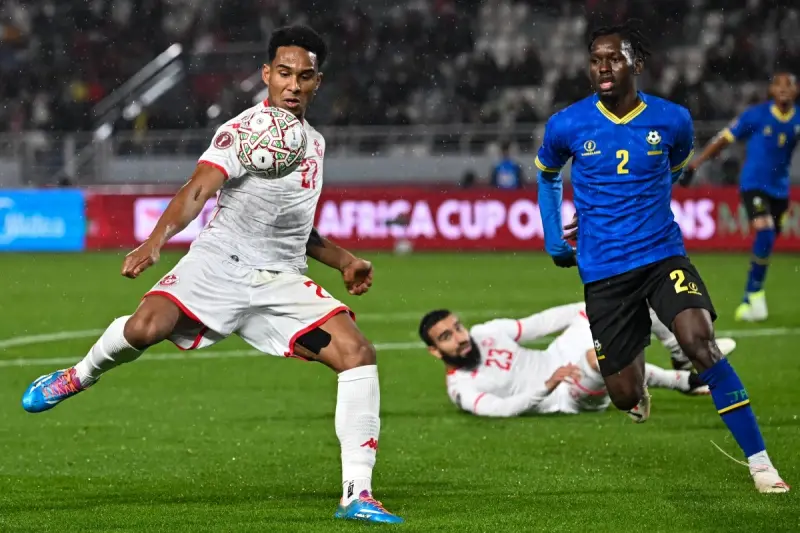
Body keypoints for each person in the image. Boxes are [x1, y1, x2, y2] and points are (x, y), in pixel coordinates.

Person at [20, 25, 403, 524]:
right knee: (145, 328)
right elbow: (198, 189)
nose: (293, 85)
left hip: (280, 278)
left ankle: (357, 494)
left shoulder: (314, 144)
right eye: (283, 73)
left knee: (357, 353)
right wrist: (156, 240)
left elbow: (295, 229)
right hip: (219, 263)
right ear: (266, 74)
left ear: (317, 82)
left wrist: (346, 261)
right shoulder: (240, 132)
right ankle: (78, 376)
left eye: (304, 76)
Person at [534, 19, 789, 493]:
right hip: (604, 271)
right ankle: (640, 387)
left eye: (614, 58)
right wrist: (554, 238)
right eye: (595, 60)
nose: (603, 67)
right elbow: (547, 175)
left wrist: (635, 206)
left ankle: (760, 464)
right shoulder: (567, 123)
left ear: (636, 64)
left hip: (661, 256)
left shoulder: (673, 120)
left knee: (700, 343)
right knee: (623, 393)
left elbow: (670, 172)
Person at [418, 303, 735, 419]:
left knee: (628, 303)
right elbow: (502, 409)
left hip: (558, 357)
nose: (460, 337)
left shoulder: (485, 333)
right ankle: (683, 382)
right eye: (446, 337)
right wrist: (547, 385)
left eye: (457, 327)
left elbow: (540, 323)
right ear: (435, 351)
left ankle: (682, 358)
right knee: (597, 357)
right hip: (562, 397)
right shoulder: (461, 388)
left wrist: (591, 309)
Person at [684, 72, 799, 322]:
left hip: (780, 190)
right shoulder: (755, 115)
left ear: (796, 91)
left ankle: (751, 297)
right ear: (771, 90)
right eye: (778, 85)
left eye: (789, 85)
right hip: (754, 184)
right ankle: (754, 295)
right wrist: (696, 163)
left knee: (767, 242)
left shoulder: (797, 118)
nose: (783, 89)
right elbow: (724, 138)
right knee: (765, 232)